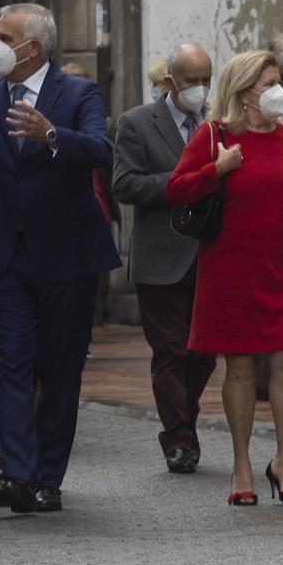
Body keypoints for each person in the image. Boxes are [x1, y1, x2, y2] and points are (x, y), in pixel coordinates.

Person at [0, 3, 118, 515]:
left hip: (67, 254)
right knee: (11, 364)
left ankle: (46, 477)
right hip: (4, 256)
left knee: (59, 369)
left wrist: (52, 135)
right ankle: (14, 471)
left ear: (31, 48)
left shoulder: (78, 93)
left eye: (2, 34)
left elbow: (102, 150)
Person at [166, 49, 283, 505]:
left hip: (282, 264)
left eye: (280, 82)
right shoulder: (215, 135)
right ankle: (241, 465)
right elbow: (176, 189)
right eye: (268, 83)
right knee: (239, 366)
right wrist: (217, 169)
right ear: (243, 92)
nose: (279, 91)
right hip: (230, 266)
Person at [112, 41, 218, 474]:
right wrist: (185, 182)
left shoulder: (217, 124)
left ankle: (184, 424)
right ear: (171, 81)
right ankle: (178, 438)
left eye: (206, 79)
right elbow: (126, 185)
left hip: (210, 255)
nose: (200, 88)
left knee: (205, 353)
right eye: (192, 80)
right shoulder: (137, 123)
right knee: (170, 350)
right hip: (161, 256)